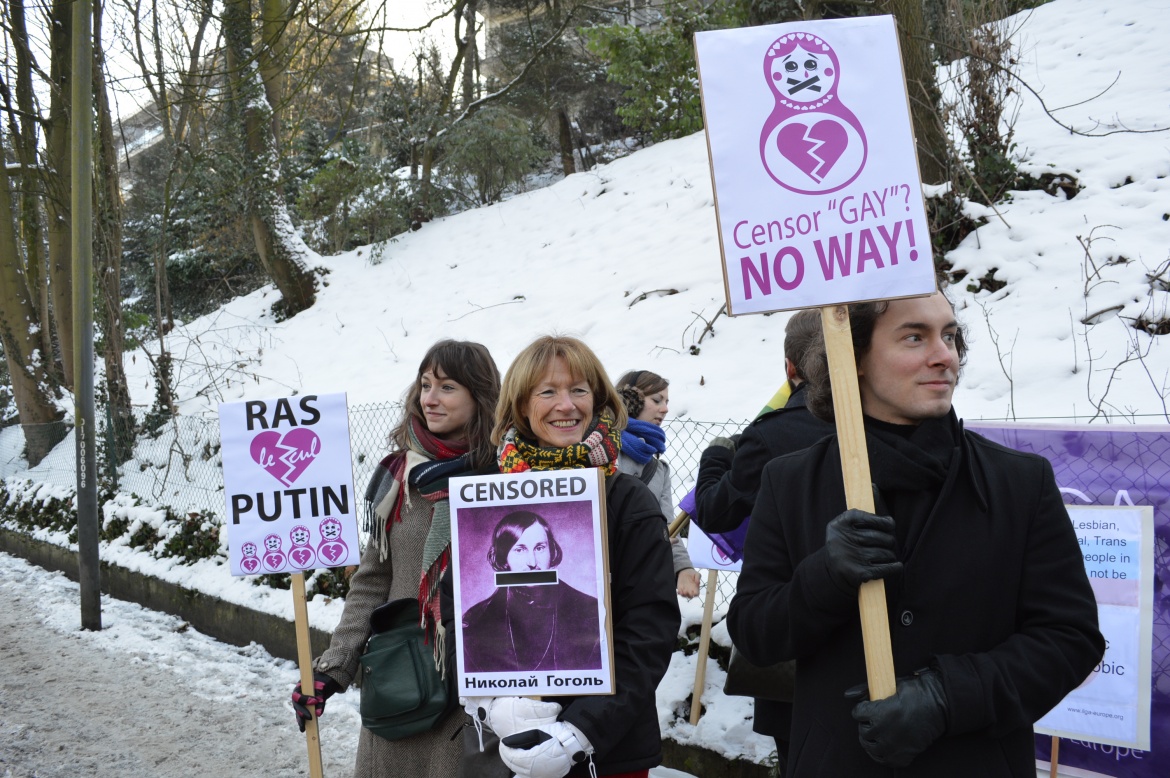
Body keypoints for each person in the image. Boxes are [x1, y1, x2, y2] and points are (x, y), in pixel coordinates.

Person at [727, 293, 1104, 777]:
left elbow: (1070, 639)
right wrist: (823, 579)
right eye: (914, 337)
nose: (945, 354)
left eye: (949, 335)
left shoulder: (1019, 482)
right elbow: (755, 635)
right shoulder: (791, 482)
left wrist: (947, 697)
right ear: (852, 355)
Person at [446, 335, 680, 778]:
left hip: (607, 750)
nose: (566, 405)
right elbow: (452, 610)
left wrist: (580, 732)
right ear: (520, 405)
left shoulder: (627, 500)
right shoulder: (484, 494)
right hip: (508, 746)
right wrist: (490, 701)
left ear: (598, 398)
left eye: (578, 390)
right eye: (547, 392)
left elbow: (650, 628)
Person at [289, 339, 501, 778]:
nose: (429, 398)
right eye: (425, 385)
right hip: (401, 682)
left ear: (479, 396)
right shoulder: (400, 476)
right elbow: (371, 581)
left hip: (475, 688)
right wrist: (333, 670)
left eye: (446, 387)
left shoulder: (505, 477)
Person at [692, 308, 835, 768]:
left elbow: (716, 511)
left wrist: (716, 457)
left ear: (790, 368)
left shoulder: (773, 435)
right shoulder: (897, 423)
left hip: (792, 626)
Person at [461, 510, 602, 672]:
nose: (532, 562)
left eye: (540, 548)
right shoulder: (475, 623)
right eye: (520, 549)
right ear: (504, 558)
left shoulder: (591, 613)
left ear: (552, 552)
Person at [615, 369, 701, 598]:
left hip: (641, 580)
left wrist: (683, 568)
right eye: (657, 400)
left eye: (666, 401)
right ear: (629, 402)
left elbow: (667, 526)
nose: (665, 408)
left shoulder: (659, 469)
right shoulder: (601, 452)